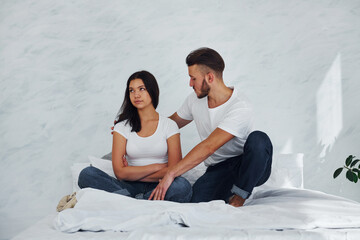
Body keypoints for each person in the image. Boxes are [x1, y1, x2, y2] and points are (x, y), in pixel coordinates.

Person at [149, 48, 273, 207]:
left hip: (248, 164)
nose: (190, 84)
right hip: (220, 169)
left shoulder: (241, 106)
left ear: (209, 77)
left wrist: (171, 173)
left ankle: (239, 196)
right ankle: (229, 190)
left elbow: (209, 146)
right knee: (194, 204)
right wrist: (133, 127)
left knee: (259, 139)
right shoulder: (194, 100)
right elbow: (171, 123)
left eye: (193, 78)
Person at [78, 70, 192, 203]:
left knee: (182, 186)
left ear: (152, 91)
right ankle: (140, 202)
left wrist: (131, 173)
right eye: (131, 90)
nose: (136, 94)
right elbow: (119, 173)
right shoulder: (121, 126)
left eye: (141, 89)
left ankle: (129, 202)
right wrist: (157, 167)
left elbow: (175, 170)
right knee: (86, 174)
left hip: (161, 185)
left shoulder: (169, 125)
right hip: (128, 187)